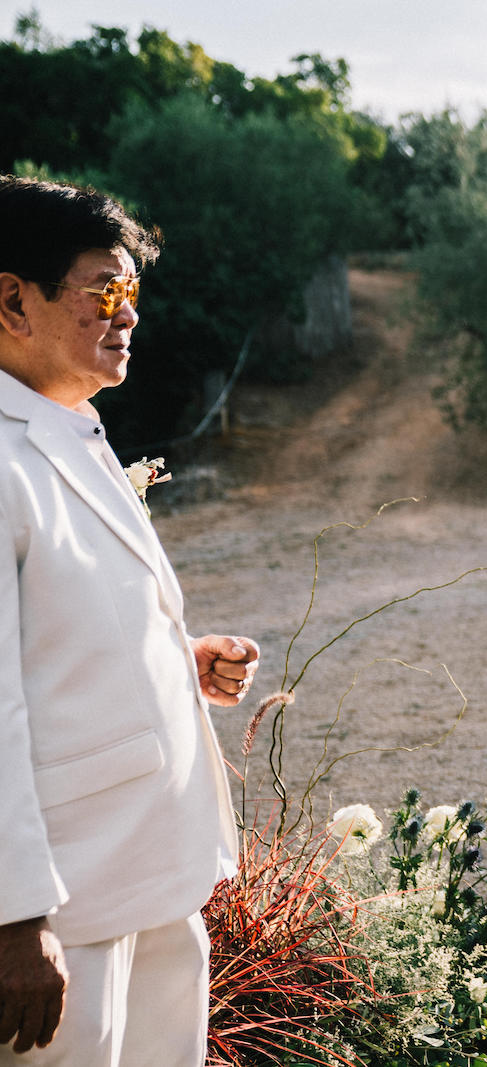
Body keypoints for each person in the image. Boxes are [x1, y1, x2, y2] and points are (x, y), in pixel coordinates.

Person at [0, 176, 259, 1065]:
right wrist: (13, 913)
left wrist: (177, 659)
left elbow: (53, 637)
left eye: (133, 293)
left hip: (154, 873)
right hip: (63, 907)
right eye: (104, 291)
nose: (128, 314)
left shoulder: (74, 427)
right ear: (11, 299)